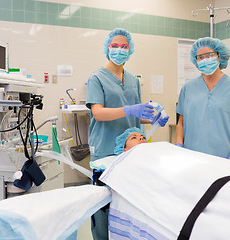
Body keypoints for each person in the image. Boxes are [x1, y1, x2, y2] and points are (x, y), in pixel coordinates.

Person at [86, 28, 169, 240]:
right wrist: (131, 109)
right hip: (106, 149)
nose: (119, 50)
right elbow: (98, 113)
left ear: (130, 50)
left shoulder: (133, 80)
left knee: (127, 205)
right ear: (107, 48)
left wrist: (152, 119)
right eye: (115, 46)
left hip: (131, 152)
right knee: (103, 207)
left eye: (124, 46)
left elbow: (133, 115)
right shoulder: (97, 78)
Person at [175, 37, 230, 163]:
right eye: (200, 57)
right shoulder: (188, 88)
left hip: (224, 158)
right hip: (191, 157)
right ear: (195, 61)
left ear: (219, 56)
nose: (205, 60)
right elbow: (181, 123)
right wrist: (179, 145)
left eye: (209, 55)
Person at [115, 127, 230, 178]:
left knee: (209, 165)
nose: (141, 138)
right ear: (124, 149)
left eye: (143, 136)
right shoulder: (130, 162)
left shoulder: (157, 148)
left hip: (183, 165)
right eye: (134, 138)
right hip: (175, 175)